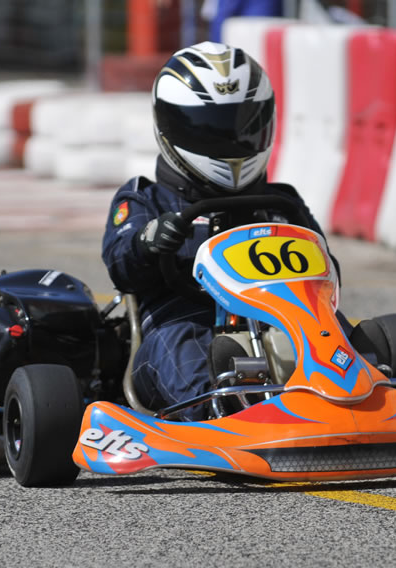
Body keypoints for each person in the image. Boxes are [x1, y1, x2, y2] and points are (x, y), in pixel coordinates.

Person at [101, 41, 337, 418]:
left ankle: (360, 392)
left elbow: (328, 275)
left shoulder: (281, 201)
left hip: (283, 318)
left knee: (340, 332)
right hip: (180, 319)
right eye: (211, 131)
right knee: (183, 347)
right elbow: (120, 264)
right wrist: (147, 242)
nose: (231, 144)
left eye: (242, 127)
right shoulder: (145, 200)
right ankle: (223, 413)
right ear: (172, 127)